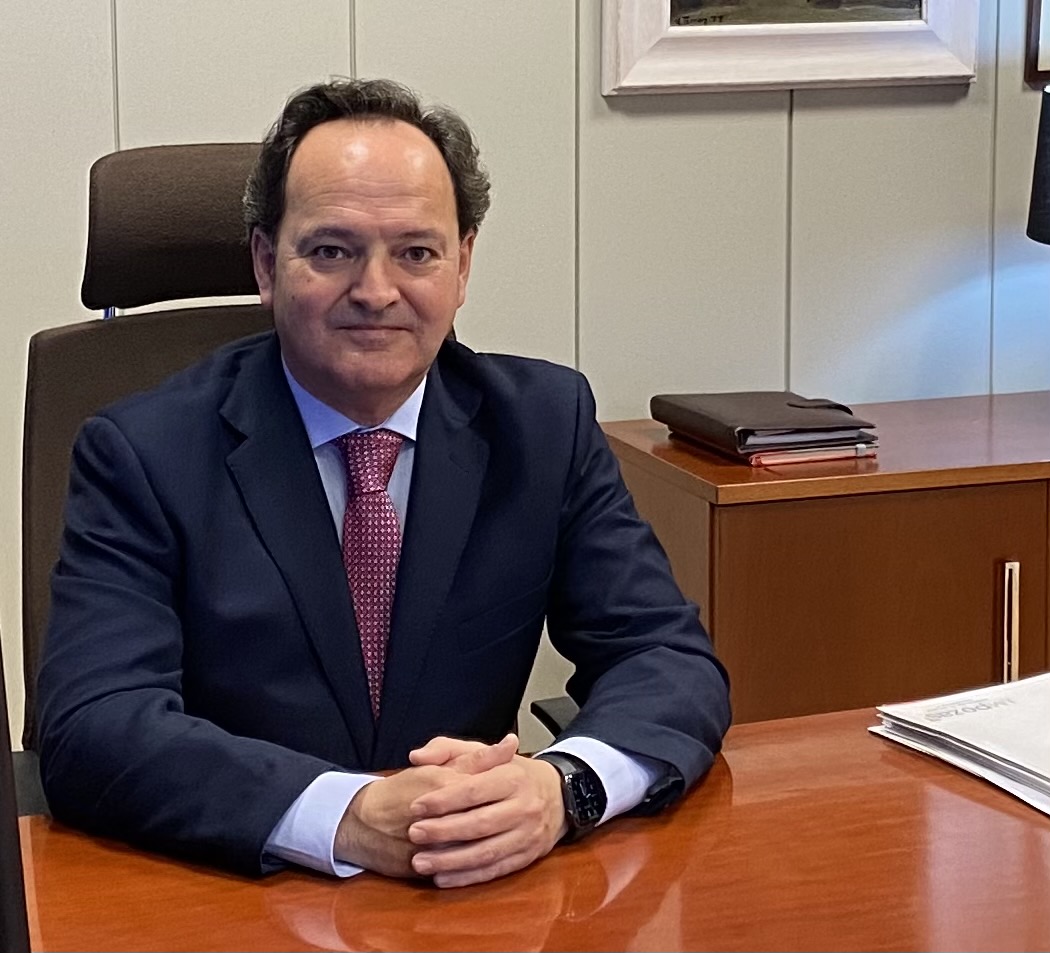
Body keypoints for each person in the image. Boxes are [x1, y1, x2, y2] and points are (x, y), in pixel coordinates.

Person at [36, 78, 730, 889]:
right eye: (332, 250)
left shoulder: (543, 425)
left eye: (416, 252)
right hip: (232, 893)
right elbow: (95, 722)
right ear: (266, 263)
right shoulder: (143, 453)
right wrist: (347, 815)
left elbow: (667, 657)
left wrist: (562, 786)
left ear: (463, 264)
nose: (375, 291)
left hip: (470, 897)